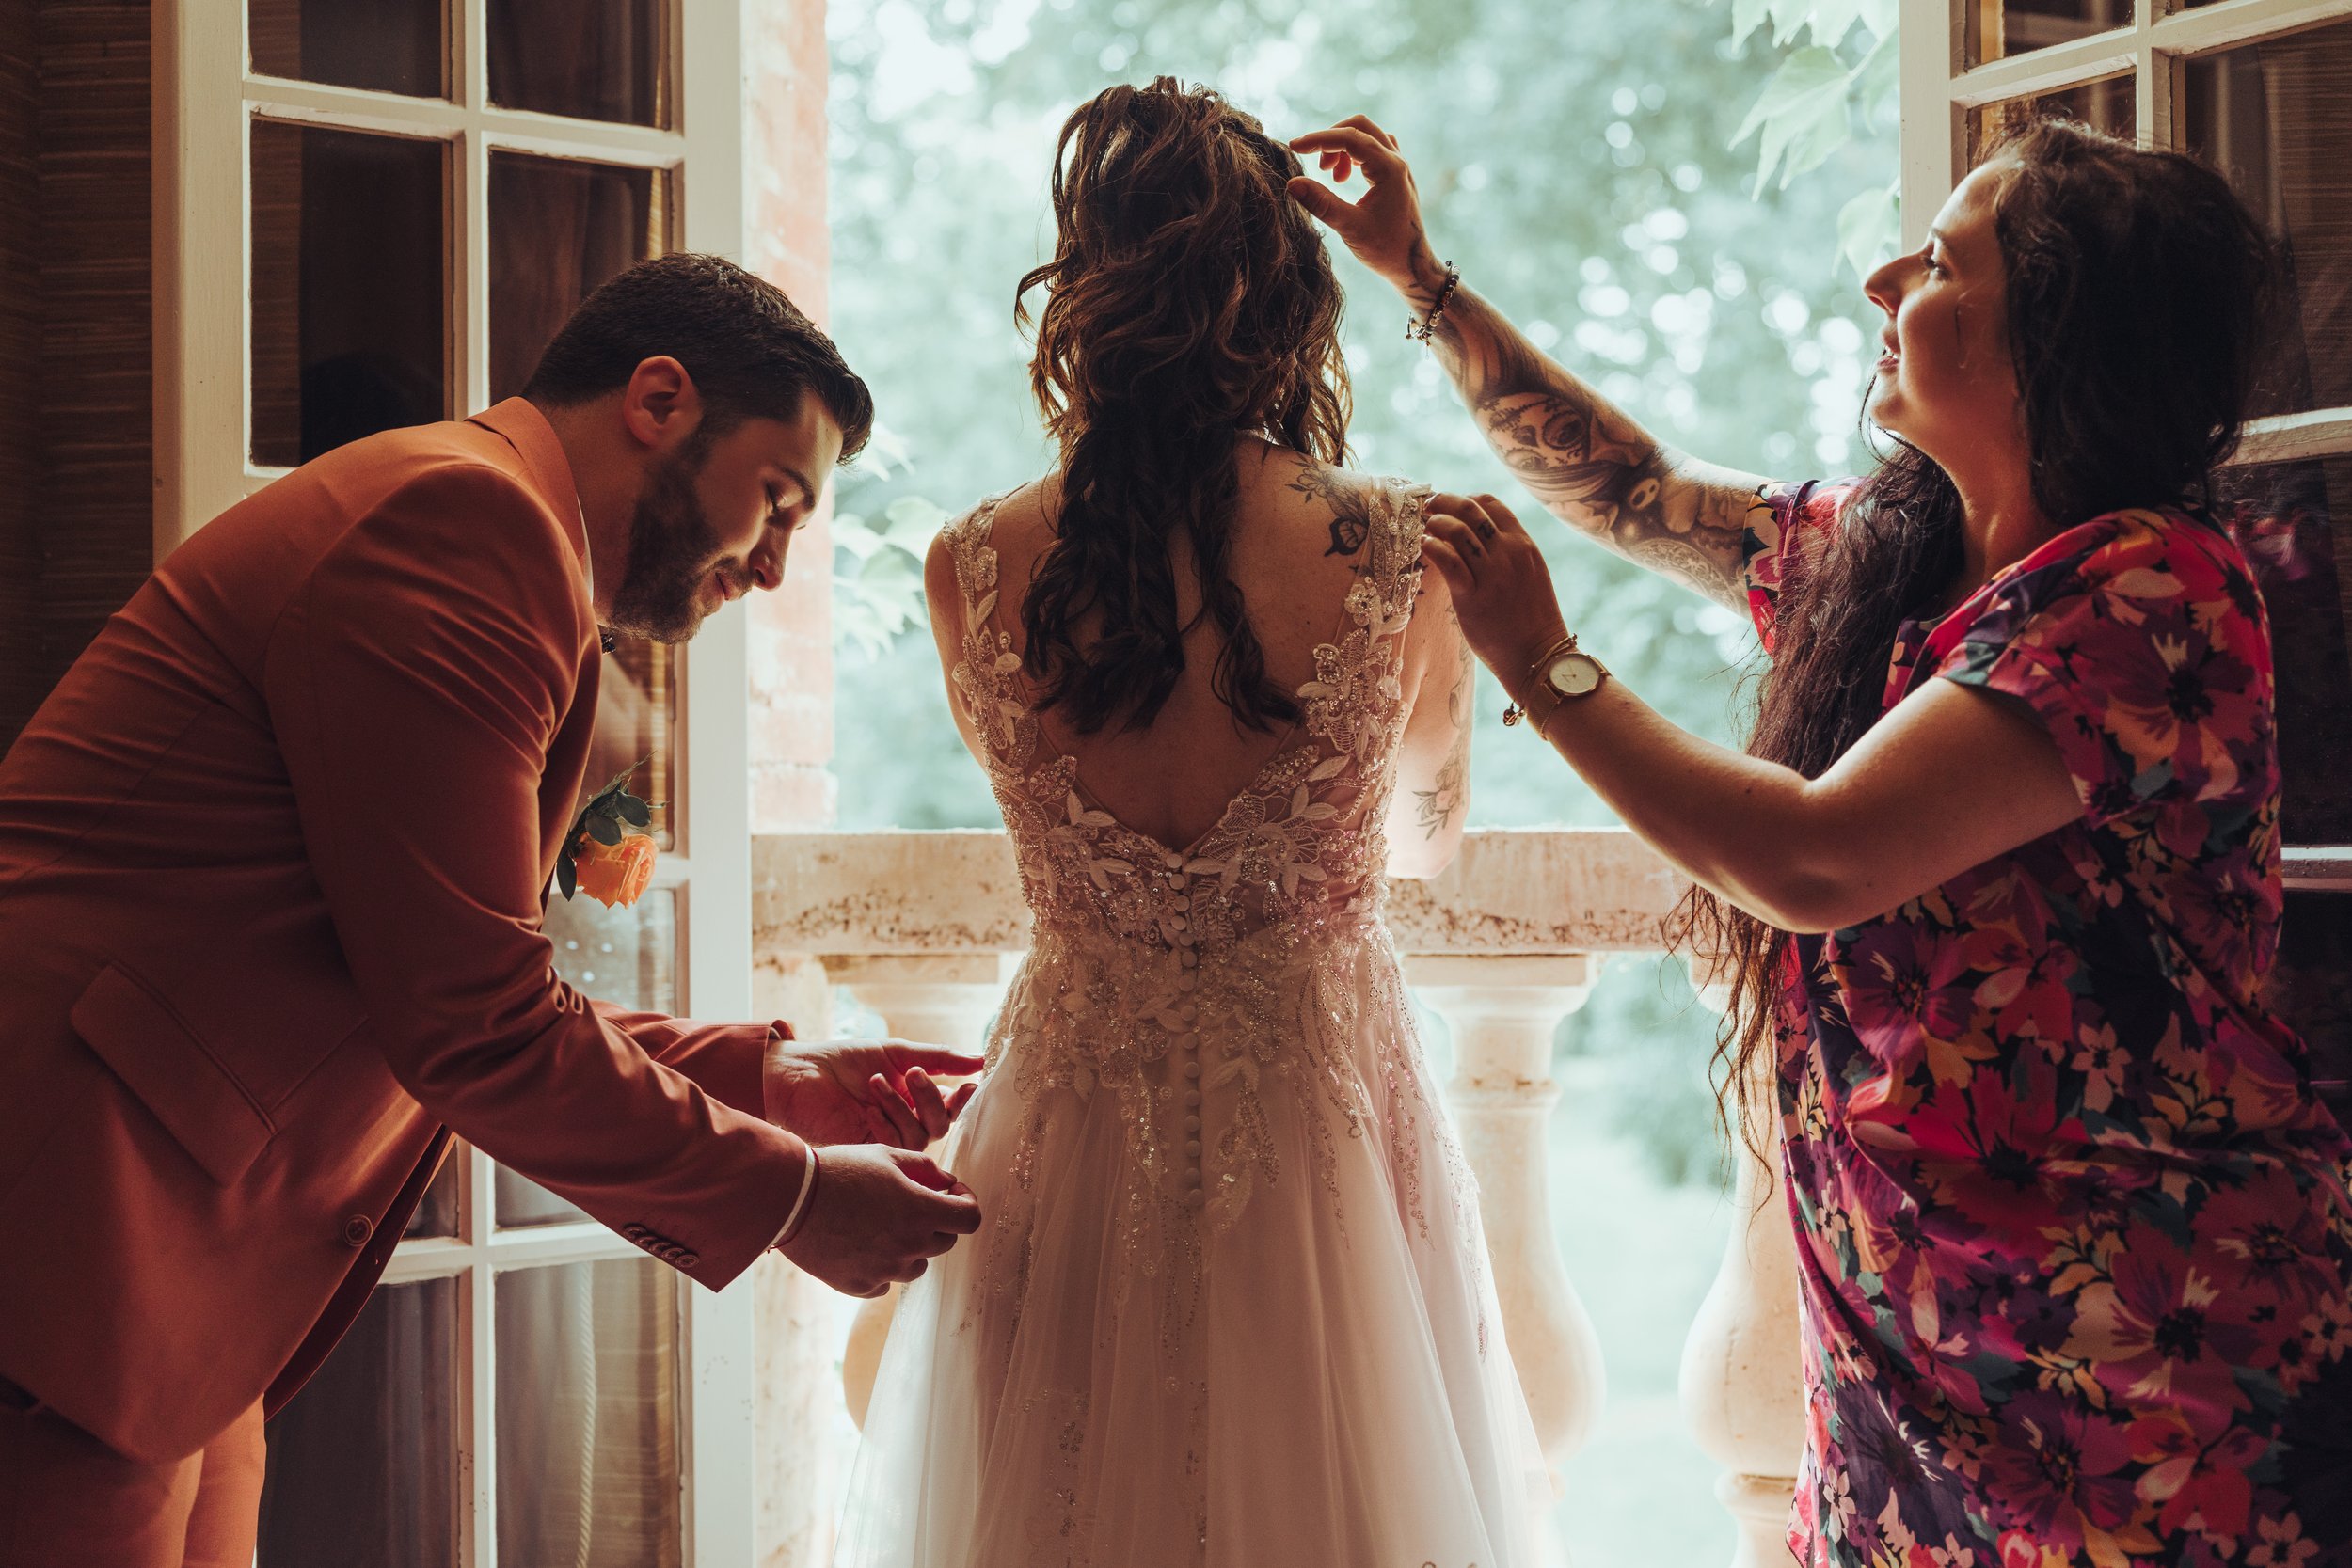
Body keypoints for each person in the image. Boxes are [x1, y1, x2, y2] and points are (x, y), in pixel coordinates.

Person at [1289, 112, 2352, 1565]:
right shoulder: (1899, 555)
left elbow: (1813, 860)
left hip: (2142, 1370)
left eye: (1942, 263)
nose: (1883, 281)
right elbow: (1635, 492)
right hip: (1911, 1359)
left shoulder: (2149, 590)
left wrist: (1546, 662)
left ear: (2050, 334)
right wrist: (1422, 279)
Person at [0, 253, 984, 1568]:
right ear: (659, 400)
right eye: (777, 501)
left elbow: (446, 973)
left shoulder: (482, 523)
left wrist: (768, 1078)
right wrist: (796, 1199)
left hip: (168, 1281)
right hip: (64, 1236)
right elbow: (475, 1022)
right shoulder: (465, 523)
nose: (773, 569)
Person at [833, 81, 1549, 1568]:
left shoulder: (969, 565)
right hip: (1319, 1113)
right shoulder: (1403, 553)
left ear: (1080, 291)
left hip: (1073, 1115)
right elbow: (1425, 838)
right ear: (1289, 298)